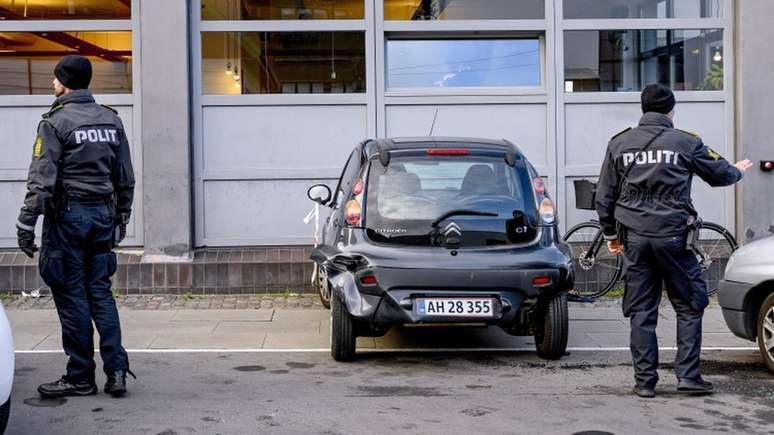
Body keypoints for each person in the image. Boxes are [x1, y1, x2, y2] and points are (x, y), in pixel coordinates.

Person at [595, 83, 753, 398]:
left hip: (634, 238)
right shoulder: (685, 142)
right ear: (671, 110)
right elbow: (721, 174)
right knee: (690, 303)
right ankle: (688, 377)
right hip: (674, 239)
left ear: (643, 108)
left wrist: (611, 235)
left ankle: (645, 383)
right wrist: (737, 170)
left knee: (641, 310)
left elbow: (604, 196)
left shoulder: (619, 143)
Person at [16, 55, 136, 398]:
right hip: (102, 217)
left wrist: (26, 223)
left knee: (71, 295)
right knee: (100, 292)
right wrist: (121, 217)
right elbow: (125, 176)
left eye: (56, 78)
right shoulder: (111, 119)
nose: (52, 83)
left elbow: (41, 181)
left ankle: (80, 376)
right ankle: (116, 371)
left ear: (65, 82)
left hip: (68, 220)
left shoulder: (54, 122)